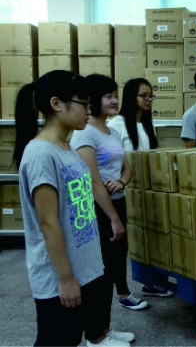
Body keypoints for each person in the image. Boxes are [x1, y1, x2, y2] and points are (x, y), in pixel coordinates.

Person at [12, 70, 130, 346]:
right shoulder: (41, 154)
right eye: (83, 104)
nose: (88, 111)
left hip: (83, 266)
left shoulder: (66, 147)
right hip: (59, 277)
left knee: (73, 336)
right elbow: (48, 223)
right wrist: (65, 279)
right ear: (56, 104)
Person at [70, 74, 148, 315]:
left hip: (118, 200)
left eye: (115, 95)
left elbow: (127, 167)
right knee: (103, 262)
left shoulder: (112, 132)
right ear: (94, 99)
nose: (114, 101)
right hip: (98, 208)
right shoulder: (85, 133)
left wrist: (121, 182)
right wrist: (113, 217)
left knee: (119, 252)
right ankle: (100, 324)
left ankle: (123, 294)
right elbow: (93, 182)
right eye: (108, 96)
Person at [107, 77, 174, 298]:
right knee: (123, 246)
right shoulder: (116, 125)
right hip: (125, 194)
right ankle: (123, 292)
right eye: (143, 96)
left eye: (151, 96)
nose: (149, 100)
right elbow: (112, 163)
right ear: (130, 97)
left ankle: (151, 284)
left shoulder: (146, 124)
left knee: (149, 241)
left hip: (146, 194)